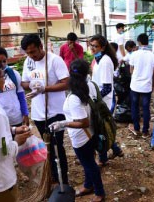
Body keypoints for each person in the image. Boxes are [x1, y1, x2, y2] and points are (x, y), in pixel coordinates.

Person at [49, 59, 105, 201]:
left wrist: (63, 123)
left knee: (89, 164)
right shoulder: (88, 86)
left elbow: (83, 122)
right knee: (88, 162)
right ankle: (88, 185)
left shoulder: (74, 97)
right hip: (90, 133)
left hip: (81, 137)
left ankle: (99, 192)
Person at [21, 34, 70, 185]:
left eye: (33, 52)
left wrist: (45, 89)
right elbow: (23, 82)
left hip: (55, 112)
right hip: (38, 113)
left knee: (57, 146)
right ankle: (53, 175)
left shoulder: (54, 60)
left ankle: (64, 179)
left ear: (41, 47)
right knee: (47, 145)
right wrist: (33, 86)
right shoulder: (28, 62)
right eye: (28, 53)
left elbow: (66, 83)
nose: (31, 55)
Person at [0, 59, 30, 202]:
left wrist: (13, 130)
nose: (5, 81)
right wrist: (17, 142)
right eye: (3, 77)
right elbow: (2, 154)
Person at [89, 34, 124, 166]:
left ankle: (103, 158)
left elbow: (107, 88)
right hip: (99, 99)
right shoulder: (98, 59)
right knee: (102, 128)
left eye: (95, 46)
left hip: (104, 102)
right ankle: (116, 149)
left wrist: (94, 100)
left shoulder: (105, 61)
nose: (92, 48)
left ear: (103, 47)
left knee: (100, 130)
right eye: (91, 45)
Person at [0, 48, 30, 132]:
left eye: (4, 61)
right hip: (1, 117)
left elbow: (21, 95)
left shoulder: (14, 74)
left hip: (16, 117)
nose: (2, 64)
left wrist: (25, 113)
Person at [129, 33, 154, 138]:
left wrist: (137, 77)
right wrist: (153, 85)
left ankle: (136, 129)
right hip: (147, 86)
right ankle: (145, 131)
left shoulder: (134, 54)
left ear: (139, 42)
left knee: (135, 107)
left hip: (135, 85)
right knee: (146, 108)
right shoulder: (153, 56)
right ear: (147, 42)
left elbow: (131, 70)